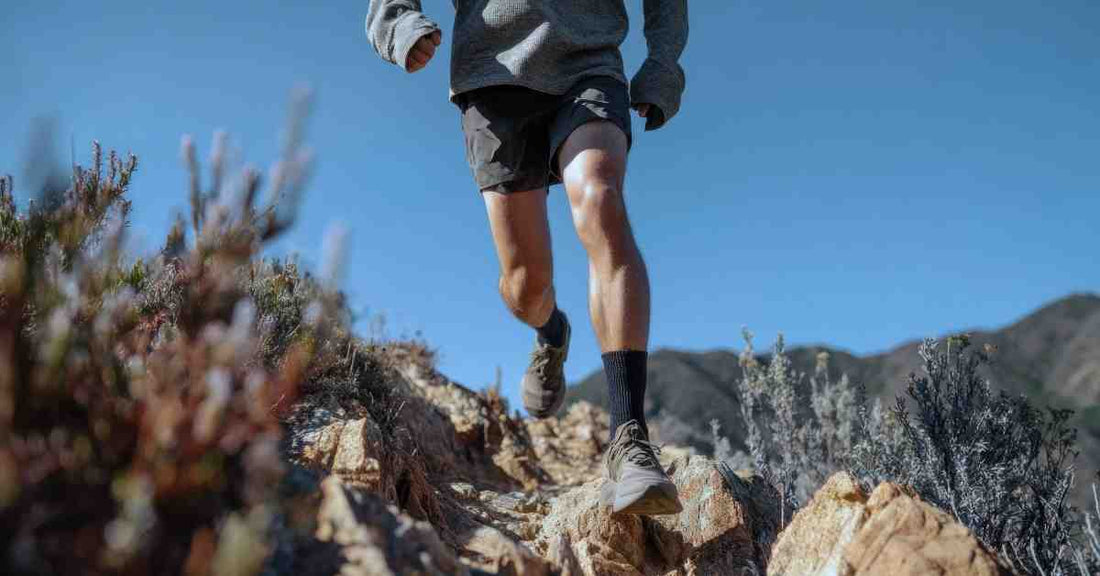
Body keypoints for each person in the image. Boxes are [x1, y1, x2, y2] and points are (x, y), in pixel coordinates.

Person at [365, 0, 688, 516]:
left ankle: (629, 439)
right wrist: (399, 23)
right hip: (492, 76)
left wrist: (663, 62)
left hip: (589, 65)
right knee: (525, 288)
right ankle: (552, 331)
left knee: (601, 198)